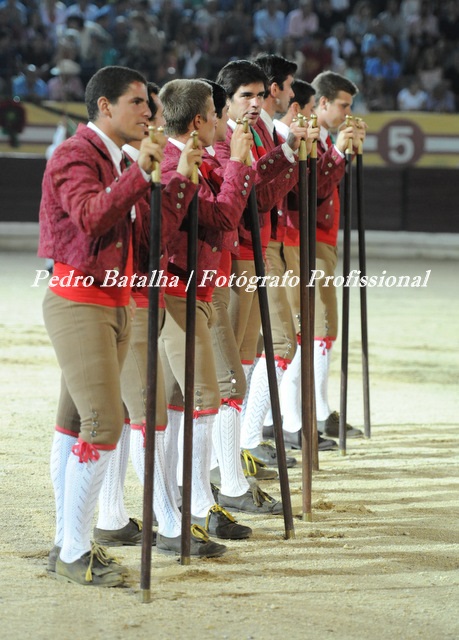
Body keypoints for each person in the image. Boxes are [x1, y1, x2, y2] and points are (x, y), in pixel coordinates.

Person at [38, 65, 201, 587]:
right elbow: (89, 217)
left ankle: (70, 543)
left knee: (73, 423)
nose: (149, 112)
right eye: (138, 102)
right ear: (105, 106)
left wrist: (169, 183)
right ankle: (75, 550)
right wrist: (139, 176)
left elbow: (150, 238)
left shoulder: (117, 160)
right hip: (80, 300)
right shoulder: (74, 154)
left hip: (113, 301)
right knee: (104, 424)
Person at [158, 78, 259, 543]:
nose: (224, 122)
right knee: (200, 398)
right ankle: (195, 504)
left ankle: (190, 500)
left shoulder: (194, 159)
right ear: (200, 119)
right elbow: (220, 220)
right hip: (178, 290)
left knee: (181, 400)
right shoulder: (174, 161)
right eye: (217, 114)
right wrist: (238, 162)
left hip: (197, 289)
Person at [214, 59, 312, 470]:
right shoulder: (226, 141)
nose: (256, 103)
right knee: (233, 364)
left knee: (246, 357)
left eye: (259, 94)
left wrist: (291, 155)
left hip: (254, 251)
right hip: (235, 255)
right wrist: (287, 153)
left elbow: (266, 197)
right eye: (246, 96)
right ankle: (228, 461)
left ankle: (238, 450)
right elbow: (245, 193)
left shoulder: (252, 133)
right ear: (228, 100)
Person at [262, 78, 338, 453]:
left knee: (302, 334)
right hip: (290, 240)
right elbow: (312, 189)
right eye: (302, 105)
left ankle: (297, 419)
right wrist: (332, 155)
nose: (299, 106)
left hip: (296, 240)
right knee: (299, 334)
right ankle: (291, 422)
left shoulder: (285, 136)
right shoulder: (278, 136)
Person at [309, 70, 365, 440]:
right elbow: (314, 189)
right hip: (309, 242)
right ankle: (311, 415)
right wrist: (340, 154)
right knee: (318, 329)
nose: (348, 112)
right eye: (343, 105)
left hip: (320, 240)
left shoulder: (323, 139)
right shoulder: (312, 139)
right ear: (324, 102)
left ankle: (318, 411)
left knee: (323, 330)